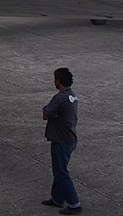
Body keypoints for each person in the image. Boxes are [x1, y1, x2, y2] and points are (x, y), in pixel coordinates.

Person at [42, 67, 82, 214]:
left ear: (58, 80)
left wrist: (49, 113)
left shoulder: (60, 97)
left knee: (61, 171)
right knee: (59, 169)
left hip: (61, 140)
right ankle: (57, 198)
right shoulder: (72, 95)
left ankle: (74, 203)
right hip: (69, 138)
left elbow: (46, 112)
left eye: (55, 79)